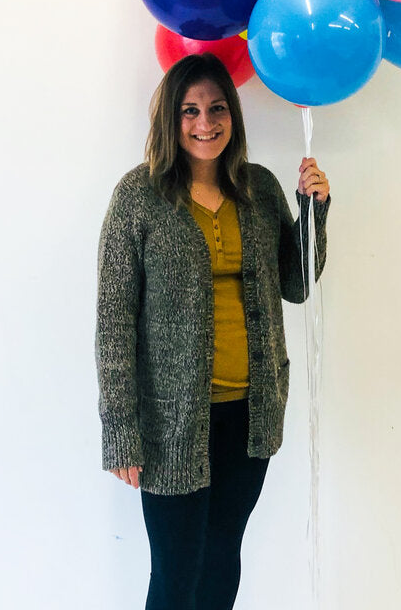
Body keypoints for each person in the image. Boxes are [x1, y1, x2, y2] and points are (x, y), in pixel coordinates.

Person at [96, 53, 330, 610]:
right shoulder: (139, 198)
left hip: (250, 412)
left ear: (233, 115)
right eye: (190, 111)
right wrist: (121, 431)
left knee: (223, 561)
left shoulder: (260, 189)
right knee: (177, 575)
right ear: (171, 121)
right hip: (170, 422)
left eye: (218, 108)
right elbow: (113, 322)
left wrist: (314, 211)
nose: (206, 123)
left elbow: (297, 285)